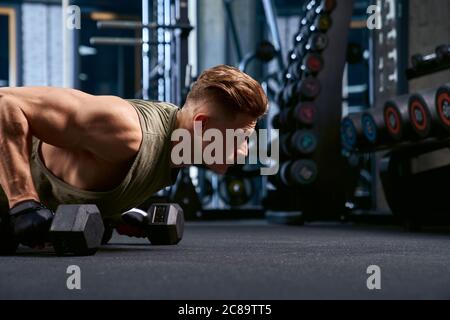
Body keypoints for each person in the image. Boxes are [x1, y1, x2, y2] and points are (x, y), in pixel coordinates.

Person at [0, 65, 268, 249]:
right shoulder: (124, 129)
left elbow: (90, 174)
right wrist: (22, 201)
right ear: (201, 125)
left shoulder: (175, 151)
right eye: (240, 138)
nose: (244, 151)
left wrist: (116, 213)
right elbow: (6, 103)